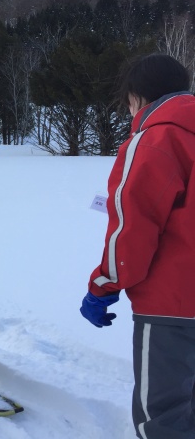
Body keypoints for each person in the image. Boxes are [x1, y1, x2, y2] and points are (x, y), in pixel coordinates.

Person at [80, 53, 195, 439]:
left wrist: (104, 285)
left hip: (173, 306)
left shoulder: (155, 138)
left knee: (163, 416)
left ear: (138, 97)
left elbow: (132, 226)